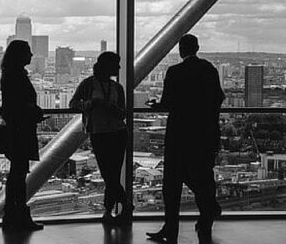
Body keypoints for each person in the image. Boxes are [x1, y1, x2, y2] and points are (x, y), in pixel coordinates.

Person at [146, 34, 225, 244]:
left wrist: (156, 106)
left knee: (172, 184)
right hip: (203, 134)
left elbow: (168, 103)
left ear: (181, 50)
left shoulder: (175, 72)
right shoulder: (209, 70)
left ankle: (171, 229)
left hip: (179, 135)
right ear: (197, 47)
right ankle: (206, 217)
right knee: (202, 177)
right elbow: (218, 98)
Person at [69, 51, 133, 224]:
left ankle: (109, 210)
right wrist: (91, 104)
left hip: (114, 133)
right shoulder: (89, 84)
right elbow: (73, 104)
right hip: (102, 133)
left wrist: (107, 107)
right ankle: (124, 204)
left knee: (111, 173)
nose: (119, 67)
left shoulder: (116, 87)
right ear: (107, 66)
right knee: (109, 174)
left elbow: (122, 113)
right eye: (116, 64)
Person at [0, 40, 45, 231]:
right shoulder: (17, 76)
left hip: (13, 129)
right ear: (20, 55)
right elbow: (19, 104)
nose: (31, 56)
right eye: (28, 52)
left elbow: (12, 104)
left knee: (16, 174)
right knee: (18, 175)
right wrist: (32, 111)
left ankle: (12, 215)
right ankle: (18, 215)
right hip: (20, 130)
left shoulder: (9, 75)